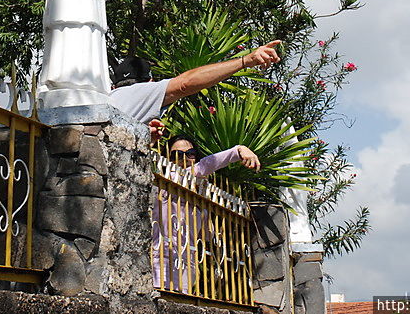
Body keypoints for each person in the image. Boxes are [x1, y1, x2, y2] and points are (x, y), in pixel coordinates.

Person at [152, 134, 260, 292]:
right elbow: (205, 165)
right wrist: (238, 150)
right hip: (160, 259)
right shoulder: (164, 178)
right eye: (177, 154)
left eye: (190, 153)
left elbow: (202, 234)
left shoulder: (200, 192)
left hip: (187, 263)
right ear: (168, 157)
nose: (184, 158)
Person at [109, 40, 282, 124]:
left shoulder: (110, 97)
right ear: (150, 80)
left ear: (114, 85)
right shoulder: (141, 91)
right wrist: (246, 61)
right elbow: (185, 84)